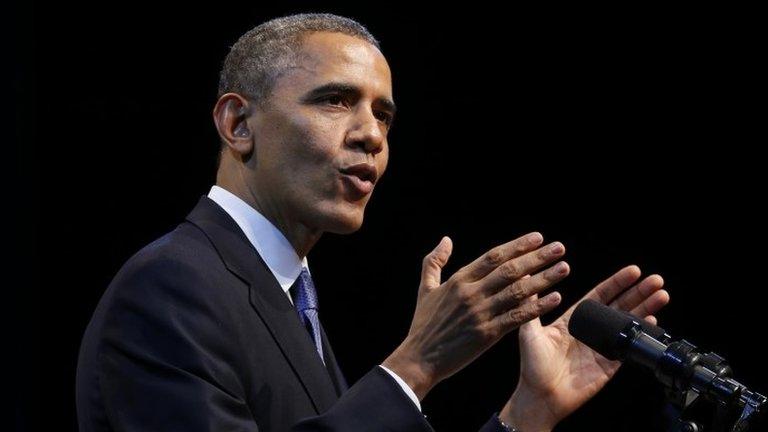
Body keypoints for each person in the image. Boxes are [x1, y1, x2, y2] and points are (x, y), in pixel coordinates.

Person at [76, 13, 669, 431]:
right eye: (335, 100)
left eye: (383, 114)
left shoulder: (284, 297)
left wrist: (528, 412)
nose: (371, 135)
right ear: (238, 125)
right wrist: (418, 362)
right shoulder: (170, 287)